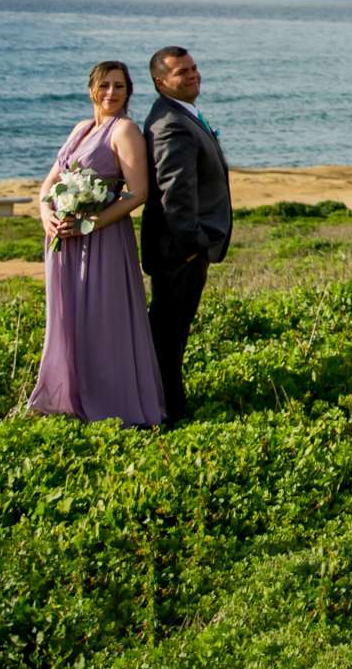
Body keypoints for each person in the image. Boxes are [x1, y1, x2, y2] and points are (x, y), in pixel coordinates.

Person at [26, 60, 165, 427]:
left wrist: (90, 224)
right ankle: (70, 394)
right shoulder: (80, 128)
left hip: (101, 241)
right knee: (69, 317)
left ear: (128, 92)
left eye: (119, 86)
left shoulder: (126, 131)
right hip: (64, 241)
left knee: (103, 319)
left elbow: (138, 193)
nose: (111, 93)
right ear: (91, 88)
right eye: (105, 85)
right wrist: (46, 216)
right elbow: (48, 184)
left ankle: (112, 402)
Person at [138, 45, 233, 427]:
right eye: (181, 72)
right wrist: (195, 246)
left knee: (172, 331)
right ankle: (168, 412)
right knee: (168, 335)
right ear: (161, 82)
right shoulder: (170, 124)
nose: (192, 75)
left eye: (193, 68)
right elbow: (175, 194)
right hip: (180, 252)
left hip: (183, 249)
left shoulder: (180, 113)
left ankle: (164, 404)